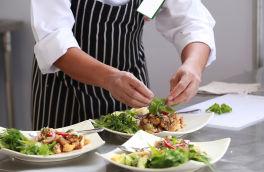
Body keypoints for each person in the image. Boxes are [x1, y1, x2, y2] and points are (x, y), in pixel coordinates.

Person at [30, 0, 216, 130]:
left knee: (135, 168)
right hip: (66, 93)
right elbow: (53, 39)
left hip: (133, 83)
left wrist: (193, 66)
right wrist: (108, 78)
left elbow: (192, 22)